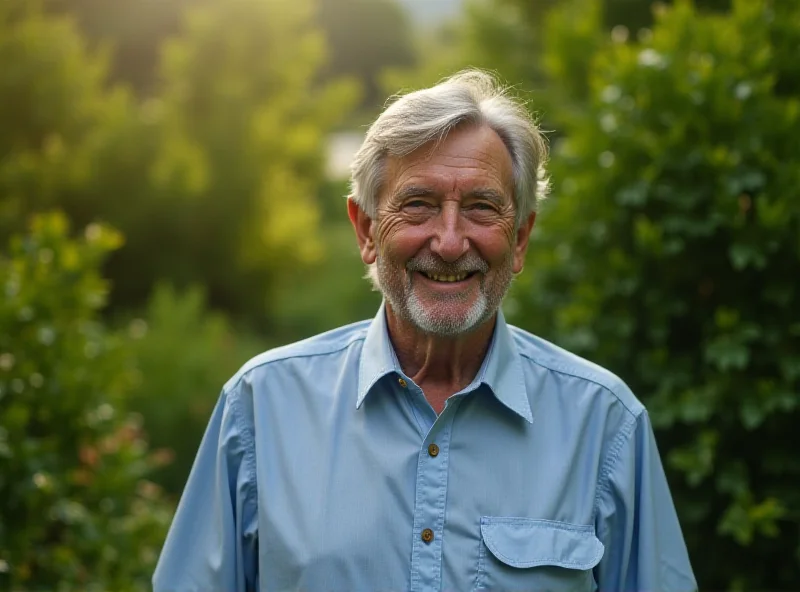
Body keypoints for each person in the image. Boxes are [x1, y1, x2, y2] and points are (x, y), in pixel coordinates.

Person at [153, 70, 697, 592]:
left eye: (483, 207)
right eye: (419, 205)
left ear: (522, 238)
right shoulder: (260, 407)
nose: (451, 241)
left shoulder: (604, 425)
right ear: (366, 230)